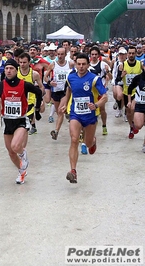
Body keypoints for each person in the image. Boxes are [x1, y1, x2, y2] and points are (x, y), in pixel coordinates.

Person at [0, 59, 43, 184]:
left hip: (21, 120)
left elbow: (38, 92)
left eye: (11, 68)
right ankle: (22, 172)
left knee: (16, 146)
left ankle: (24, 154)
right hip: (7, 121)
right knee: (11, 152)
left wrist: (37, 110)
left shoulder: (24, 84)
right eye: (6, 69)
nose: (8, 71)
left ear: (16, 70)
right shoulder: (1, 85)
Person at [59, 53, 108, 183]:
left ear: (88, 64)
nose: (81, 67)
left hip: (90, 116)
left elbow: (105, 97)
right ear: (75, 64)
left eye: (83, 64)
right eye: (78, 64)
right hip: (75, 114)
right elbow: (69, 92)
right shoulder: (71, 77)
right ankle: (73, 171)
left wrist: (96, 105)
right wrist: (64, 105)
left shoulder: (94, 79)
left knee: (88, 143)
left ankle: (92, 141)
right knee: (74, 139)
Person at [44, 48, 74, 140]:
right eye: (58, 54)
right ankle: (67, 113)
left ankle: (56, 131)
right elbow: (45, 77)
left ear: (65, 55)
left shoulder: (70, 64)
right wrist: (49, 82)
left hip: (66, 91)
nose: (60, 56)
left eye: (62, 54)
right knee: (59, 113)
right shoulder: (53, 64)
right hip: (55, 91)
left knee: (60, 111)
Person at [116, 46, 143, 139]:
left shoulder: (140, 64)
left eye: (133, 53)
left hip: (137, 92)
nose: (131, 55)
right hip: (126, 91)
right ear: (127, 54)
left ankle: (136, 124)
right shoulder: (122, 65)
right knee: (128, 112)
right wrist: (122, 75)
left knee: (133, 108)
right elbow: (117, 79)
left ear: (136, 54)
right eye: (129, 53)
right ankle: (131, 126)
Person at [127, 65, 145, 152]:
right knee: (138, 125)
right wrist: (130, 101)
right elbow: (130, 89)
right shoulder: (138, 78)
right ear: (143, 67)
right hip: (140, 105)